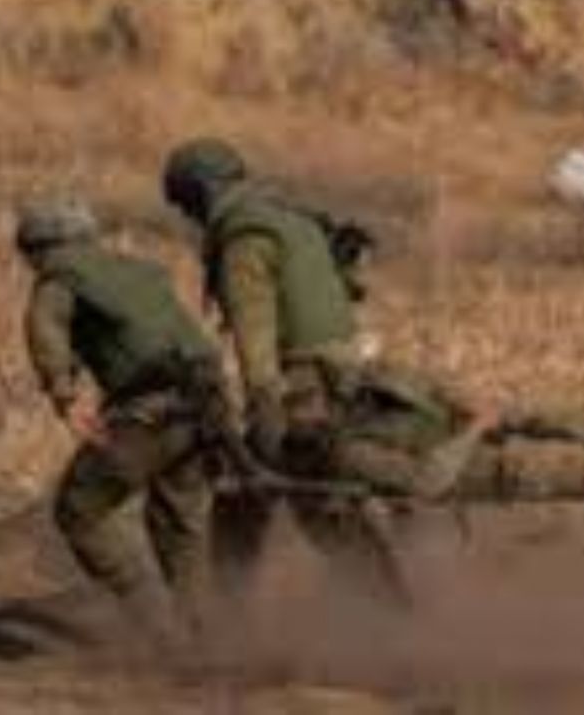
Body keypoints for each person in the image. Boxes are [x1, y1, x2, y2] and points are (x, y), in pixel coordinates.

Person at [162, 138, 464, 611]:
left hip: (304, 395)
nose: (189, 218)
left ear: (200, 193)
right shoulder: (293, 222)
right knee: (278, 505)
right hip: (345, 379)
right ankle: (240, 610)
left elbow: (255, 343)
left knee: (288, 503)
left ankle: (235, 626)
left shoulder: (244, 241)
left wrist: (265, 425)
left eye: (186, 205)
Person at [15, 195, 271, 649]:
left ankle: (158, 625)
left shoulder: (61, 273)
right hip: (208, 406)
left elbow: (46, 325)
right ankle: (207, 638)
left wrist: (63, 395)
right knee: (179, 522)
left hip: (153, 410)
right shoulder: (136, 271)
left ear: (41, 247)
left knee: (80, 509)